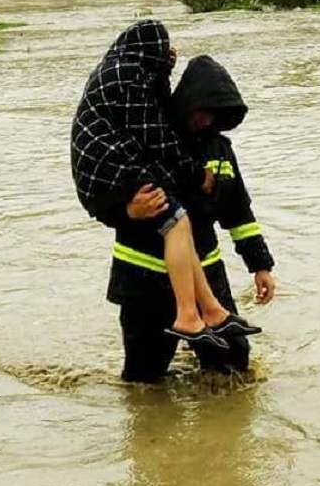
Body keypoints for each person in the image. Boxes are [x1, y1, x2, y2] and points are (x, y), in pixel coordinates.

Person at [71, 19, 260, 352]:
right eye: (203, 111)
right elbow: (100, 193)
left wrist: (260, 266)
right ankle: (195, 316)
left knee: (234, 366)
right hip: (142, 280)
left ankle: (210, 312)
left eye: (216, 115)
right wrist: (125, 210)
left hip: (205, 271)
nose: (207, 121)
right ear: (188, 102)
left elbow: (238, 210)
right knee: (144, 382)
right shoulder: (146, 128)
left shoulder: (218, 149)